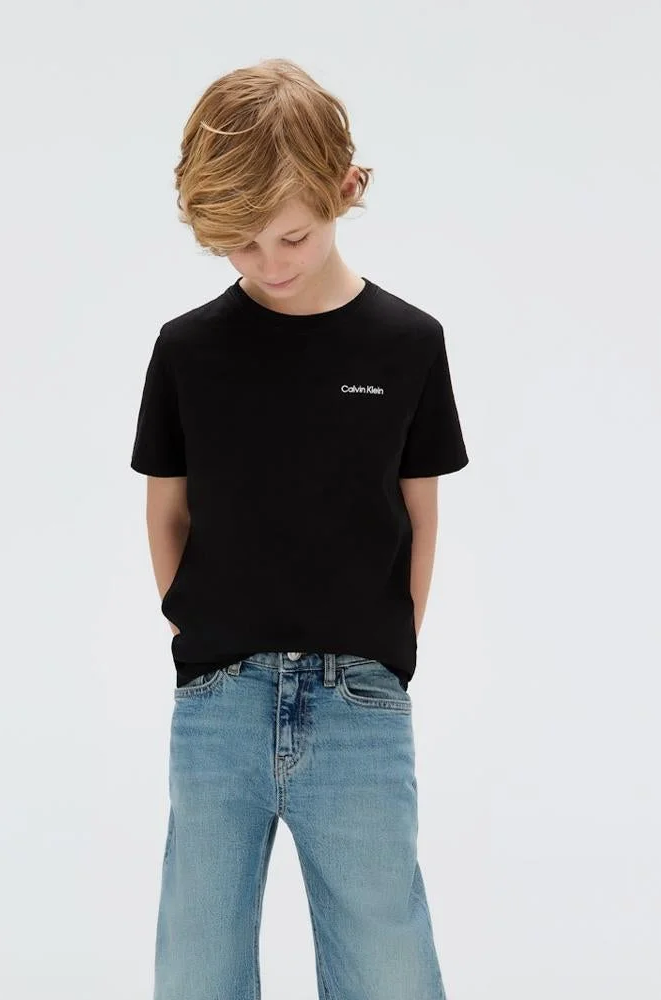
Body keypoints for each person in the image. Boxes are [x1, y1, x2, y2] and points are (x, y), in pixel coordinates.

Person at [130, 58, 469, 1000]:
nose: (270, 264)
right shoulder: (188, 350)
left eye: (292, 236)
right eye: (240, 245)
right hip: (217, 702)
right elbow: (167, 508)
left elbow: (420, 515)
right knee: (196, 965)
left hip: (360, 702)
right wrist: (196, 631)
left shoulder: (408, 344)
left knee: (386, 960)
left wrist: (385, 651)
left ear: (346, 189)